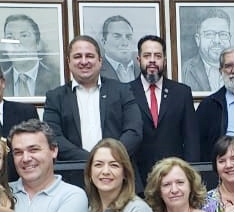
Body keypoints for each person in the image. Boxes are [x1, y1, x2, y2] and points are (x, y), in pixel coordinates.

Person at [42, 35, 141, 164]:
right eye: (77, 56)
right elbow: (54, 137)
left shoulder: (122, 91)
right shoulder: (55, 97)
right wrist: (93, 161)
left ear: (100, 60)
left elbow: (134, 131)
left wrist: (109, 158)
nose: (84, 61)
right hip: (74, 170)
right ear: (69, 62)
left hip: (118, 167)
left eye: (89, 56)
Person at [130, 35, 197, 177]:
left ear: (164, 61)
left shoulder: (182, 93)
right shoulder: (126, 92)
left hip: (175, 176)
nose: (152, 60)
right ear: (138, 60)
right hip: (137, 178)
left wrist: (189, 176)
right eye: (147, 55)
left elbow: (191, 140)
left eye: (158, 56)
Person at [0, 14, 60, 98]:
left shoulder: (56, 78)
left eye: (24, 36)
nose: (17, 43)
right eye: (9, 37)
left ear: (38, 43)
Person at [180, 9, 230, 94]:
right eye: (210, 34)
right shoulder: (185, 70)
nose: (217, 41)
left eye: (223, 34)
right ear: (198, 39)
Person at [96, 15, 137, 84]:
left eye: (128, 37)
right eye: (117, 37)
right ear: (104, 42)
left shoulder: (142, 67)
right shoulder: (95, 70)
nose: (125, 43)